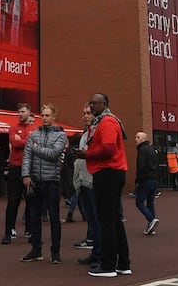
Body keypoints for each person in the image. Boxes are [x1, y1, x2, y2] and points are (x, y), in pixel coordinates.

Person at [75, 92, 131, 278]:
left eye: (95, 103)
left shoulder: (106, 122)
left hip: (108, 173)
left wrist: (87, 154)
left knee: (106, 221)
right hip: (112, 173)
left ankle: (108, 265)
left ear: (105, 104)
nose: (92, 106)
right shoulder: (105, 122)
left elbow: (108, 149)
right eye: (91, 103)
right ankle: (123, 263)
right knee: (114, 220)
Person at [20, 103, 68, 264]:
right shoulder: (34, 134)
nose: (44, 118)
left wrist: (37, 149)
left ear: (54, 116)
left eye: (47, 115)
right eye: (43, 115)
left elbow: (54, 154)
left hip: (51, 182)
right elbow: (26, 156)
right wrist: (26, 175)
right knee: (33, 217)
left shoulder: (61, 135)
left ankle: (55, 252)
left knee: (54, 218)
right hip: (35, 181)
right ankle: (36, 250)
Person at [1, 102, 35, 244]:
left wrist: (22, 141)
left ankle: (31, 231)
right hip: (15, 168)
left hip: (30, 169)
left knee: (31, 202)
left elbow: (35, 145)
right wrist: (27, 142)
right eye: (19, 111)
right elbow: (14, 143)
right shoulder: (13, 128)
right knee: (13, 202)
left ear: (28, 113)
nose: (20, 114)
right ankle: (8, 233)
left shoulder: (34, 129)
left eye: (23, 111)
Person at [73, 103, 101, 265]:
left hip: (93, 181)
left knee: (97, 220)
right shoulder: (85, 133)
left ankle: (100, 254)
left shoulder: (97, 132)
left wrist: (86, 154)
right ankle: (95, 253)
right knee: (91, 220)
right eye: (83, 113)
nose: (84, 116)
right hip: (83, 181)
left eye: (88, 113)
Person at [134, 131, 160, 236]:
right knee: (150, 202)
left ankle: (151, 219)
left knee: (139, 202)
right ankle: (151, 227)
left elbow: (141, 166)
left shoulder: (142, 150)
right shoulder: (153, 149)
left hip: (145, 179)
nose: (136, 139)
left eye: (138, 137)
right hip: (154, 179)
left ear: (143, 139)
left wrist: (138, 180)